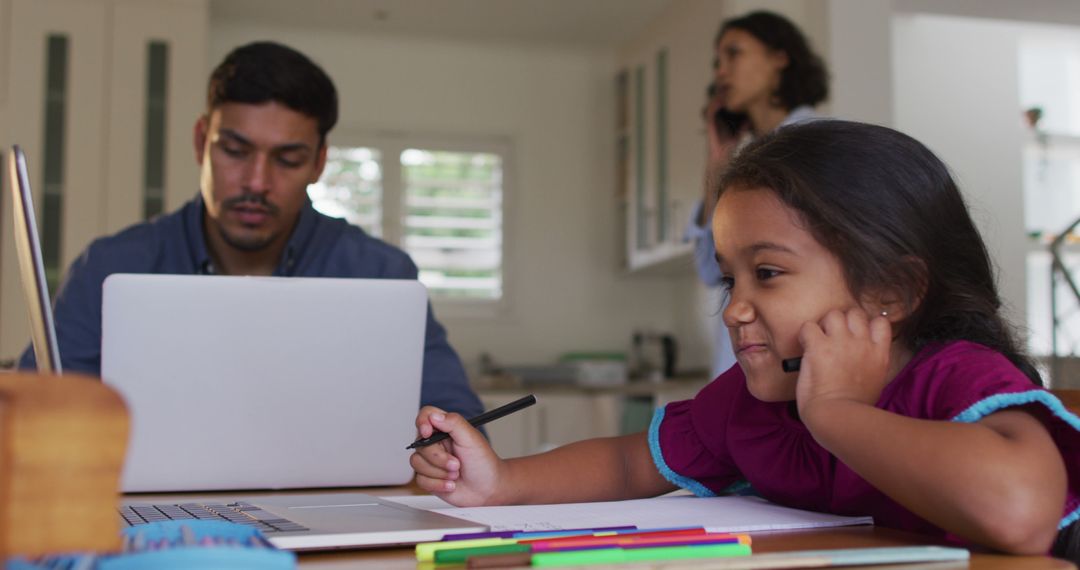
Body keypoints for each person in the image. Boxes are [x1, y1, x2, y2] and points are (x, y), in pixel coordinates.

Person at [411, 120, 1080, 558]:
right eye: (730, 279)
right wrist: (500, 482)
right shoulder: (751, 405)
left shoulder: (954, 375)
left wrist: (839, 415)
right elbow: (630, 464)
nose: (734, 310)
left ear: (892, 293)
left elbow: (1020, 512)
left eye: (766, 274)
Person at [18, 41, 484, 418]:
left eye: (287, 159)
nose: (257, 182)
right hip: (150, 521)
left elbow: (458, 422)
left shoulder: (380, 273)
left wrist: (445, 447)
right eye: (235, 150)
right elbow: (30, 416)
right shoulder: (111, 266)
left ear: (319, 162)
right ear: (202, 142)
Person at [686, 10, 828, 378]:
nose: (720, 71)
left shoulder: (820, 141)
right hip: (746, 363)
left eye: (734, 54)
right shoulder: (747, 160)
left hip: (796, 359)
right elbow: (710, 269)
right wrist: (718, 160)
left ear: (779, 57)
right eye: (718, 61)